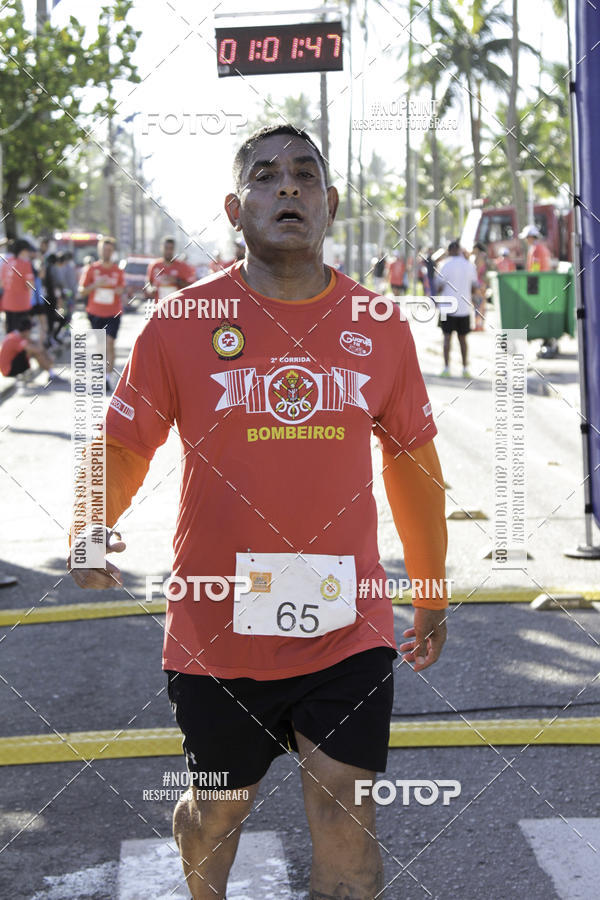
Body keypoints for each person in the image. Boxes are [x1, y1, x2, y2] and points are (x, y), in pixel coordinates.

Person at [69, 124, 448, 900]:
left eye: (305, 175)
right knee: (218, 812)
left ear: (330, 203)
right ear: (234, 208)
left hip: (347, 622)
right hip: (217, 624)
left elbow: (412, 460)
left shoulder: (378, 324)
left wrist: (432, 587)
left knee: (346, 815)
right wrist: (88, 525)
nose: (288, 188)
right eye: (267, 176)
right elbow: (125, 441)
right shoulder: (181, 322)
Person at [78, 237, 125, 390]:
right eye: (104, 249)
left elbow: (122, 289)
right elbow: (82, 291)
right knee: (100, 345)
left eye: (109, 250)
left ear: (113, 251)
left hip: (113, 313)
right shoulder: (92, 269)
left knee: (109, 343)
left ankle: (107, 377)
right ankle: (101, 373)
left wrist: (117, 290)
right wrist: (96, 284)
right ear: (99, 250)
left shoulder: (117, 271)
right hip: (95, 312)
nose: (107, 252)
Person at [435, 239, 480, 378]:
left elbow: (439, 287)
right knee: (463, 339)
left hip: (446, 307)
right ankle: (465, 369)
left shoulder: (444, 264)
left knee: (446, 338)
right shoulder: (469, 265)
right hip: (464, 307)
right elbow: (474, 287)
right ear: (459, 250)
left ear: (449, 251)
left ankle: (446, 368)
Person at [0, 315, 61, 384]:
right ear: (26, 331)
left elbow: (35, 346)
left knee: (34, 350)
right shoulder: (15, 338)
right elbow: (36, 350)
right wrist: (47, 355)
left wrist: (46, 354)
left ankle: (51, 372)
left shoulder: (17, 335)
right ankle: (51, 374)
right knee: (35, 352)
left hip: (11, 366)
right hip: (8, 370)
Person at [146, 237, 195, 303]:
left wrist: (177, 281)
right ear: (161, 248)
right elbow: (149, 283)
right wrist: (151, 289)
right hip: (159, 305)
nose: (168, 251)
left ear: (174, 249)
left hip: (177, 305)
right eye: (166, 248)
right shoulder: (154, 265)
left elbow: (191, 287)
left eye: (171, 248)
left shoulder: (182, 266)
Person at [1, 239, 35, 333]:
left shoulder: (6, 263)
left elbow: (1, 283)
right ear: (23, 251)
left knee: (10, 332)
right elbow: (30, 285)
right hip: (21, 304)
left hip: (7, 303)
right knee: (22, 333)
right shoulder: (25, 264)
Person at [471, 242, 488, 331]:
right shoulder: (484, 255)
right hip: (483, 283)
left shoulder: (479, 256)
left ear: (477, 248)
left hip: (479, 283)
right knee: (482, 304)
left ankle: (478, 325)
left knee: (478, 304)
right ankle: (480, 325)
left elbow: (477, 271)